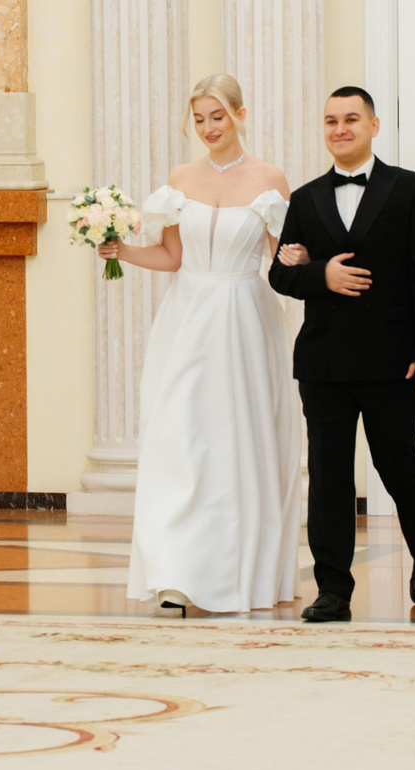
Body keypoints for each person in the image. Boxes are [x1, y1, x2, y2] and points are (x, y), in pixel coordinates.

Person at [97, 75, 302, 615]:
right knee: (178, 438)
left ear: (240, 113)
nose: (209, 128)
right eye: (200, 119)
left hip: (244, 320)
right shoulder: (180, 179)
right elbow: (172, 257)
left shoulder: (269, 179)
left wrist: (302, 260)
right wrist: (121, 250)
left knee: (238, 442)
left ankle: (240, 572)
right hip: (187, 319)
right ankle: (174, 575)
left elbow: (282, 256)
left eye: (219, 116)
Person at [266, 87, 415, 624]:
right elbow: (280, 274)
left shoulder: (412, 190)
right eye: (330, 121)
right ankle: (333, 589)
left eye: (350, 119)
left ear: (373, 125)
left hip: (394, 360)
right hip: (323, 363)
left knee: (400, 465)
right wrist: (319, 273)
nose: (340, 128)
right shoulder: (304, 198)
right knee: (329, 477)